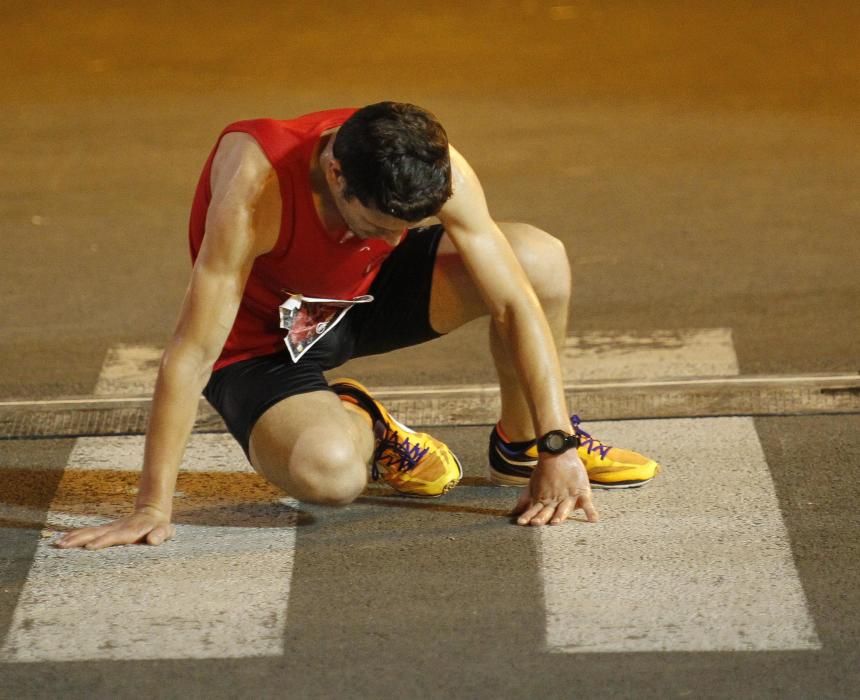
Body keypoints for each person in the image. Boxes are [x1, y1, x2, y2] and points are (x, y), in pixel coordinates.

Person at [56, 102, 659, 550]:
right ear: (338, 175)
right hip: (264, 344)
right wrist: (150, 506)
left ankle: (521, 447)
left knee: (539, 258)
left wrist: (558, 444)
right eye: (376, 225)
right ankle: (362, 421)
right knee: (329, 475)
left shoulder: (434, 166)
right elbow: (191, 353)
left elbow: (516, 303)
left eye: (407, 227)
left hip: (358, 302)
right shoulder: (255, 189)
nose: (393, 241)